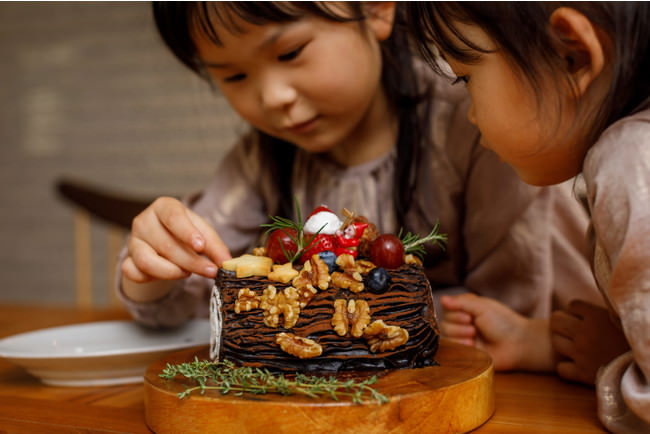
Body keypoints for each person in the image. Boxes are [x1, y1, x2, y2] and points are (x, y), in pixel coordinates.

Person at [118, 2, 599, 353]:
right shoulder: (260, 159)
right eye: (234, 77)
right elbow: (201, 288)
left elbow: (515, 309)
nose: (272, 97)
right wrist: (153, 270)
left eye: (290, 53)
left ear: (374, 8)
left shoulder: (478, 122)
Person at [405, 2, 650, 432]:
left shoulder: (631, 160)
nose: (471, 113)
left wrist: (615, 370)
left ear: (569, 56)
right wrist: (537, 341)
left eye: (466, 77)